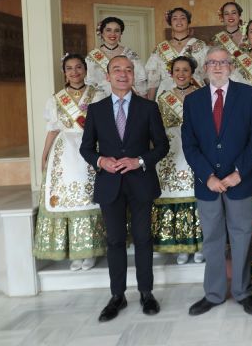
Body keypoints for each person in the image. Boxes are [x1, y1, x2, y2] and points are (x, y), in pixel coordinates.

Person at [80, 55, 169, 322]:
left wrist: (139, 160)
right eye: (116, 70)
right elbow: (86, 148)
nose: (122, 74)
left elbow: (162, 146)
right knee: (115, 241)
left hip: (141, 182)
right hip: (109, 185)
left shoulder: (148, 108)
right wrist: (101, 160)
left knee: (143, 240)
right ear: (107, 76)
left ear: (134, 75)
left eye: (128, 70)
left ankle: (146, 293)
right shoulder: (96, 110)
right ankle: (117, 296)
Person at [181, 46, 252, 316]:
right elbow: (189, 144)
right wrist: (208, 176)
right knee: (213, 239)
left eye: (222, 62)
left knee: (242, 236)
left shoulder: (249, 95)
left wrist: (238, 172)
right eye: (211, 63)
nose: (217, 67)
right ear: (204, 69)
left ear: (231, 66)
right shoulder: (192, 101)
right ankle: (214, 294)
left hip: (241, 180)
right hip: (208, 184)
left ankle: (243, 292)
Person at [33, 54, 106, 271]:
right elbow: (53, 129)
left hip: (91, 149)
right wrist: (45, 154)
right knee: (68, 200)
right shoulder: (56, 99)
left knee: (88, 197)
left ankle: (90, 250)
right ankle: (76, 252)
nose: (74, 72)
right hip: (64, 153)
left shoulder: (98, 94)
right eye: (69, 68)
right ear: (64, 72)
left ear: (85, 70)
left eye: (78, 67)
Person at [153, 56, 204, 265]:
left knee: (197, 197)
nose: (181, 74)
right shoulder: (163, 98)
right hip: (171, 153)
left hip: (196, 149)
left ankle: (200, 245)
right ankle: (182, 245)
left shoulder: (201, 95)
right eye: (177, 70)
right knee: (175, 196)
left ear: (192, 73)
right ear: (171, 74)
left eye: (185, 70)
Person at [145, 7, 207, 100]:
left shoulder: (200, 45)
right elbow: (153, 80)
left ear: (188, 22)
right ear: (170, 23)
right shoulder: (160, 49)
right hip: (168, 97)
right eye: (175, 18)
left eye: (182, 18)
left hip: (196, 92)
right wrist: (150, 104)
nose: (179, 21)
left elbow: (207, 74)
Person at [85, 16, 147, 96]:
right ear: (102, 33)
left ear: (121, 33)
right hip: (101, 100)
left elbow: (140, 83)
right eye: (108, 30)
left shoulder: (130, 54)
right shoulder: (92, 57)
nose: (113, 34)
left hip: (127, 97)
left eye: (117, 31)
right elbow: (90, 85)